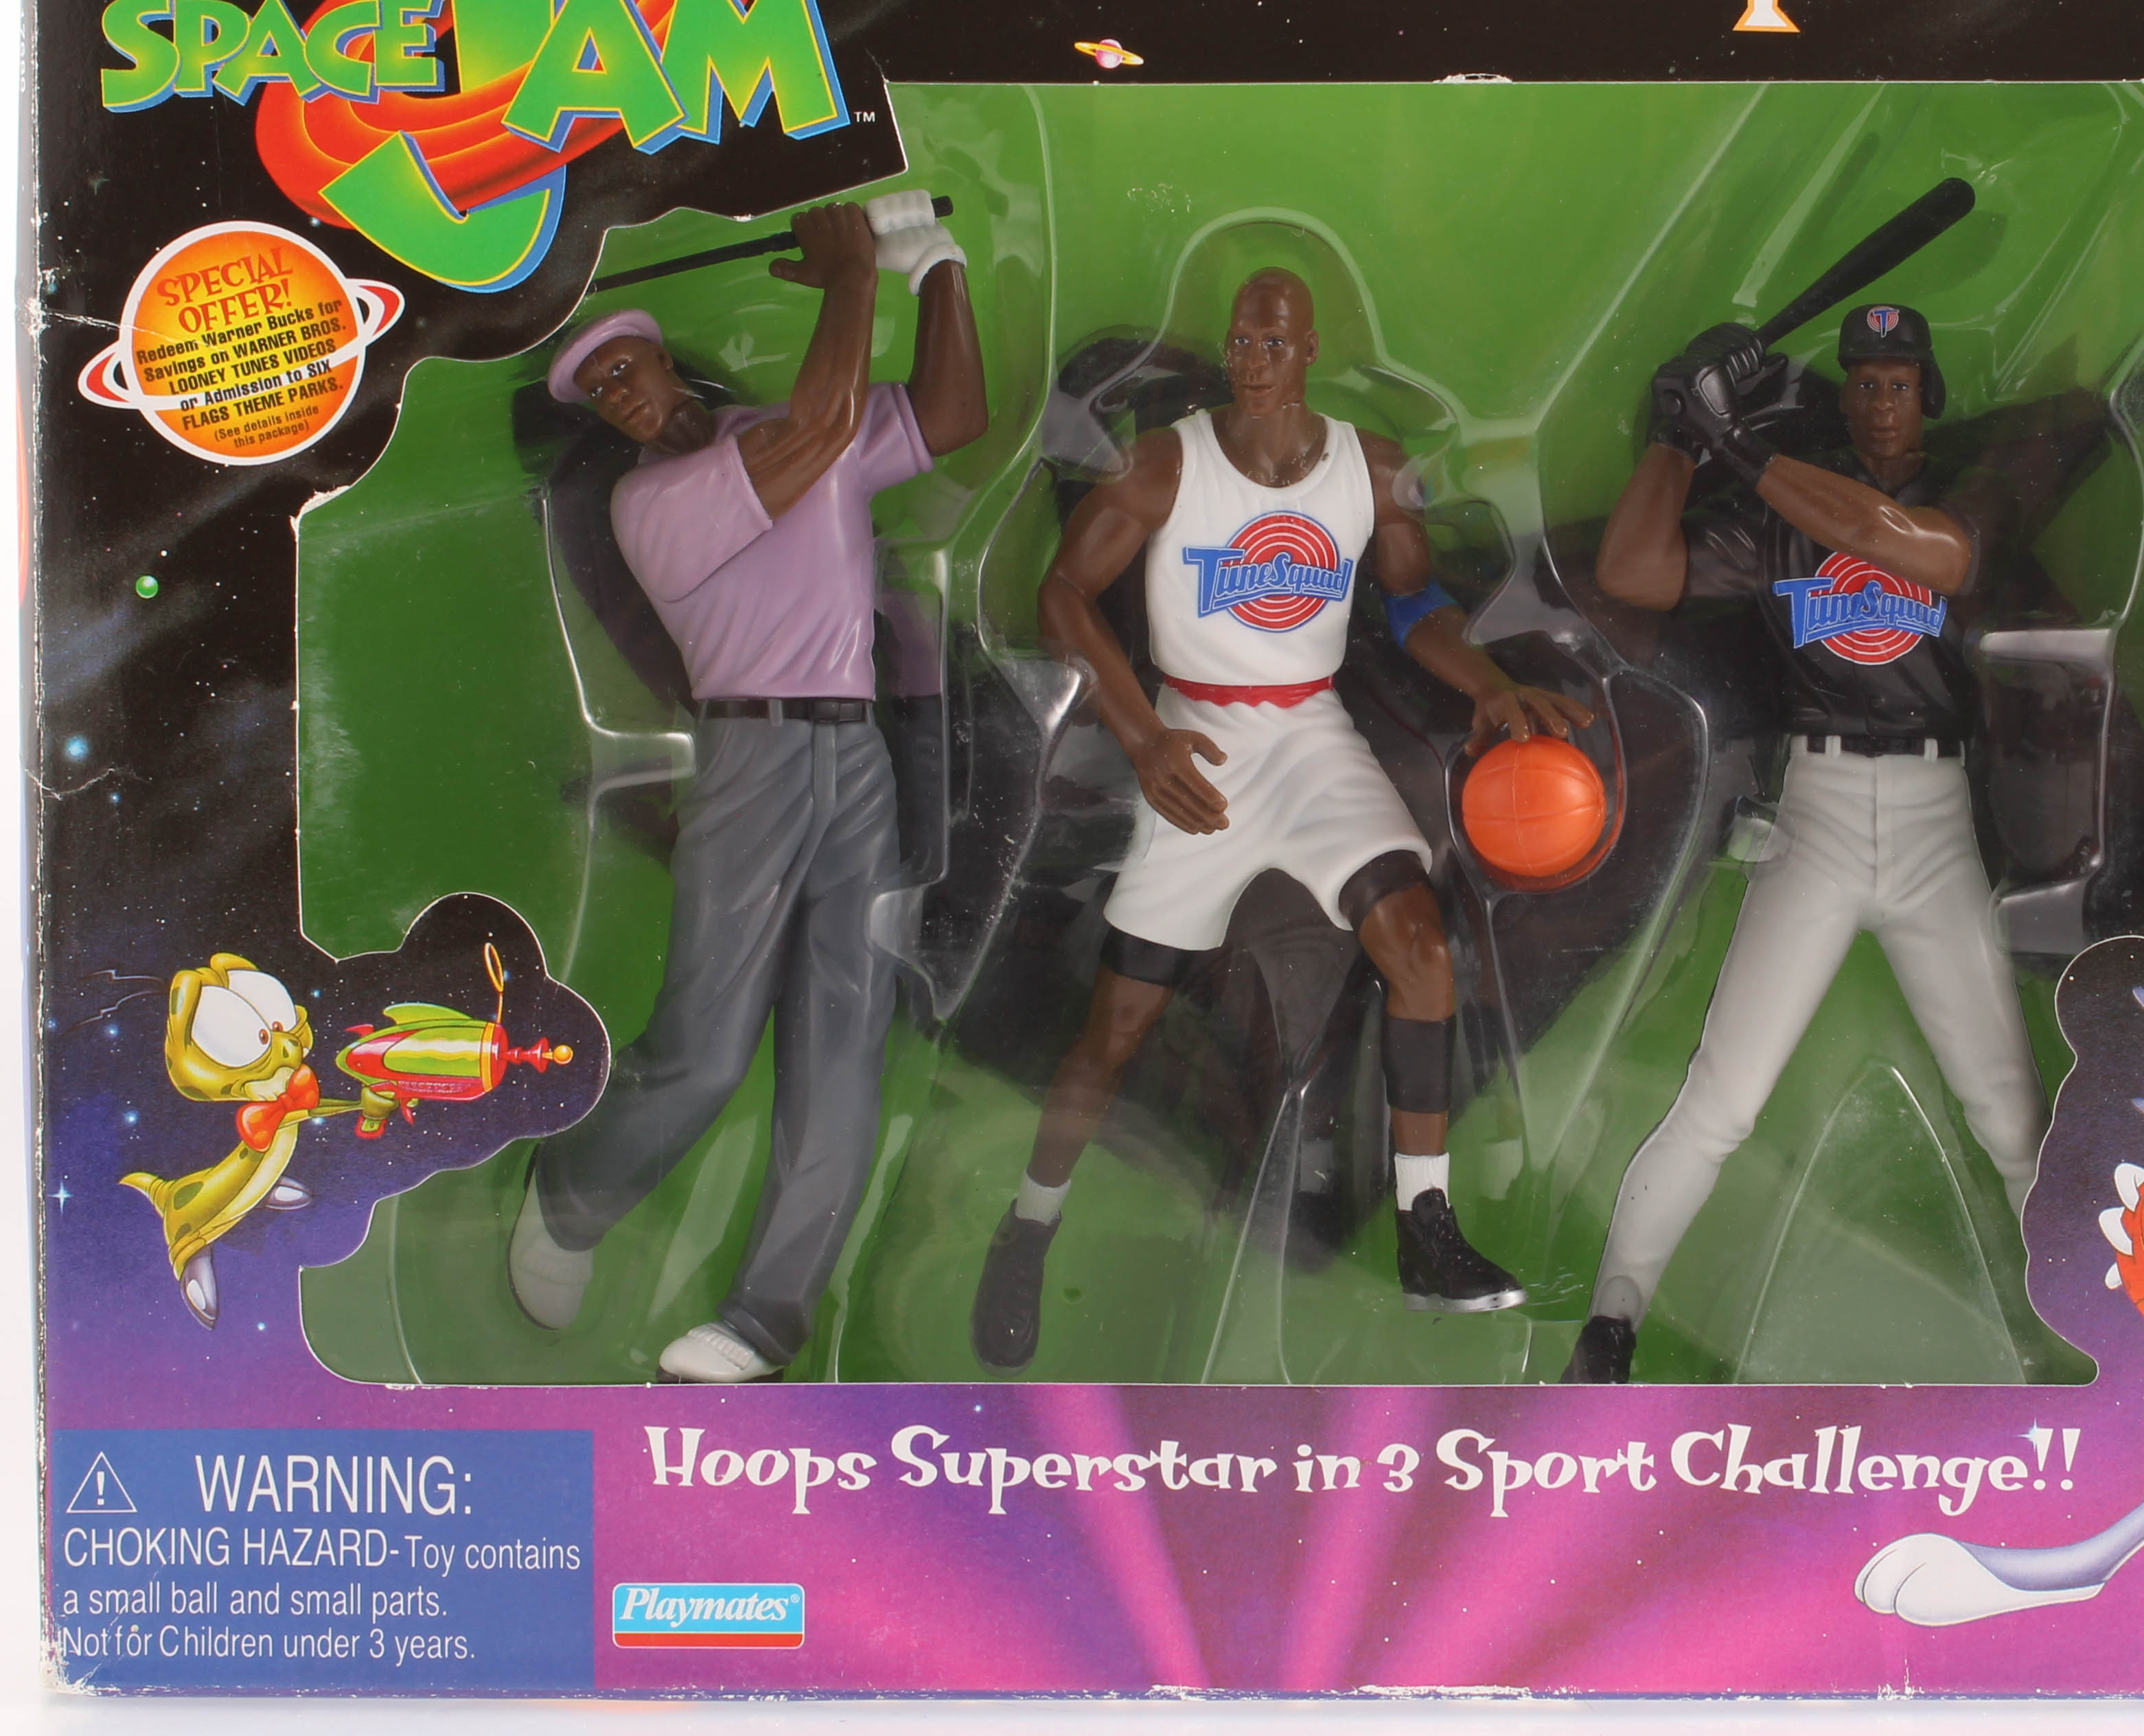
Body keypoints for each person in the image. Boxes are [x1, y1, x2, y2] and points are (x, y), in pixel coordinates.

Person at [969, 267, 1589, 1371]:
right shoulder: (1167, 464)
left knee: (1420, 948)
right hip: (1194, 738)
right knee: (1116, 1024)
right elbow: (1063, 593)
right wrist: (1141, 734)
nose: (1251, 360)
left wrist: (1488, 682)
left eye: (1271, 343)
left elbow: (1414, 604)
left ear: (1308, 351)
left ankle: (1426, 1226)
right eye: (1240, 342)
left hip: (1307, 731)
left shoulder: (1371, 467)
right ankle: (1026, 1225)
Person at [508, 191, 986, 1382]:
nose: (621, 393)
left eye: (626, 366)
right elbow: (826, 430)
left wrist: (935, 264)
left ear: (662, 358)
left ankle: (768, 1318)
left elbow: (951, 414)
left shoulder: (778, 422)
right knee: (710, 1046)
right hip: (750, 757)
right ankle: (572, 1193)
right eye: (599, 389)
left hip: (856, 750)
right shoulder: (648, 503)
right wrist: (850, 272)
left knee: (843, 1047)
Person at [1564, 303, 2046, 1384]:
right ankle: (1611, 1318)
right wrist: (1673, 439)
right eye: (1862, 381)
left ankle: (2108, 1310)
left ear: (1927, 394)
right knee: (1721, 1097)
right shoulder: (1782, 514)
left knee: (2007, 1107)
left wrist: (1731, 439)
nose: (1879, 401)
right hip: (1815, 810)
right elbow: (1634, 571)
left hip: (1934, 818)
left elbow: (1922, 548)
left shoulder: (1963, 492)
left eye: (1897, 382)